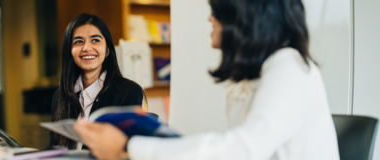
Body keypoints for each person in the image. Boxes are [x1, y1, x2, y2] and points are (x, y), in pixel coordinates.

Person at [74, 0, 340, 159]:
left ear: (244, 17)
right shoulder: (246, 81)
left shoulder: (289, 66)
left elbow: (241, 150)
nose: (210, 17)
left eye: (218, 10)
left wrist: (129, 147)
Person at [50, 13, 146, 150]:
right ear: (69, 51)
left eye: (95, 40)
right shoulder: (60, 96)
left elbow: (128, 150)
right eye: (78, 41)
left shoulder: (128, 92)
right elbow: (55, 149)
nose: (86, 48)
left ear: (107, 50)